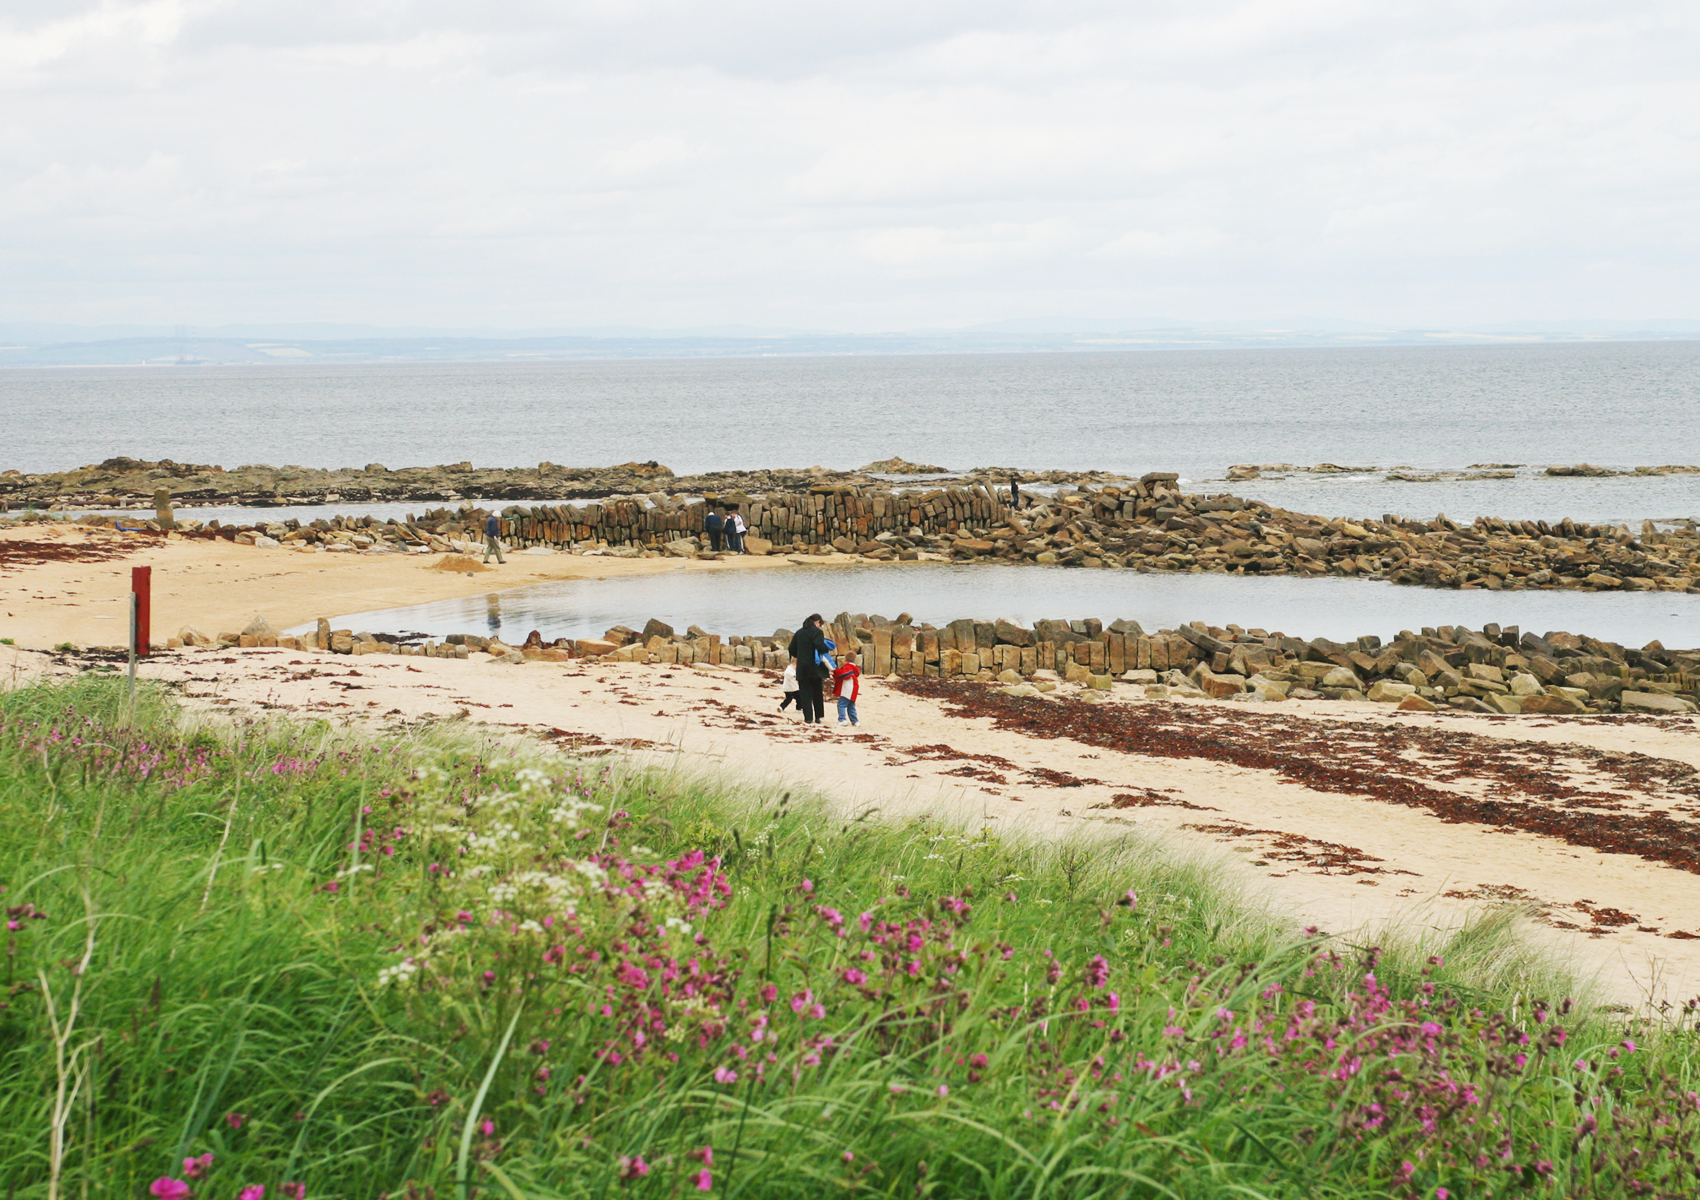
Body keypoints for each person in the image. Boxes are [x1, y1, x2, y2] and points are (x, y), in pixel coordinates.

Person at [786, 613, 829, 724]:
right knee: (817, 692)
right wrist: (826, 648)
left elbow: (791, 649)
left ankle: (808, 718)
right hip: (815, 668)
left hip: (802, 667)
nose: (820, 626)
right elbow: (819, 645)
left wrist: (799, 655)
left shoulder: (799, 632)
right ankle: (818, 717)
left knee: (805, 693)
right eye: (820, 624)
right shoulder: (817, 632)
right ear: (817, 622)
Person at [832, 653, 861, 726]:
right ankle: (855, 721)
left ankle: (842, 719)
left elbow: (844, 675)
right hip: (854, 689)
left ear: (845, 659)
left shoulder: (848, 667)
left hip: (847, 689)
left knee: (841, 704)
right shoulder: (854, 668)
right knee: (851, 706)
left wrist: (836, 671)